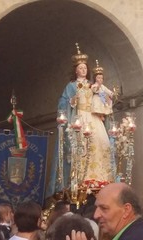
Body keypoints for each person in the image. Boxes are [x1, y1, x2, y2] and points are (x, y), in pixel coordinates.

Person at [46, 43, 113, 196]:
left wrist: (107, 100)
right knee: (81, 148)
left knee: (100, 144)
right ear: (76, 70)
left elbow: (102, 97)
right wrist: (72, 101)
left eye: (85, 68)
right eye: (80, 68)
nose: (83, 70)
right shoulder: (71, 86)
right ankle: (82, 179)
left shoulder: (92, 85)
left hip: (93, 118)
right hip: (79, 117)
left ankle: (99, 177)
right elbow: (62, 103)